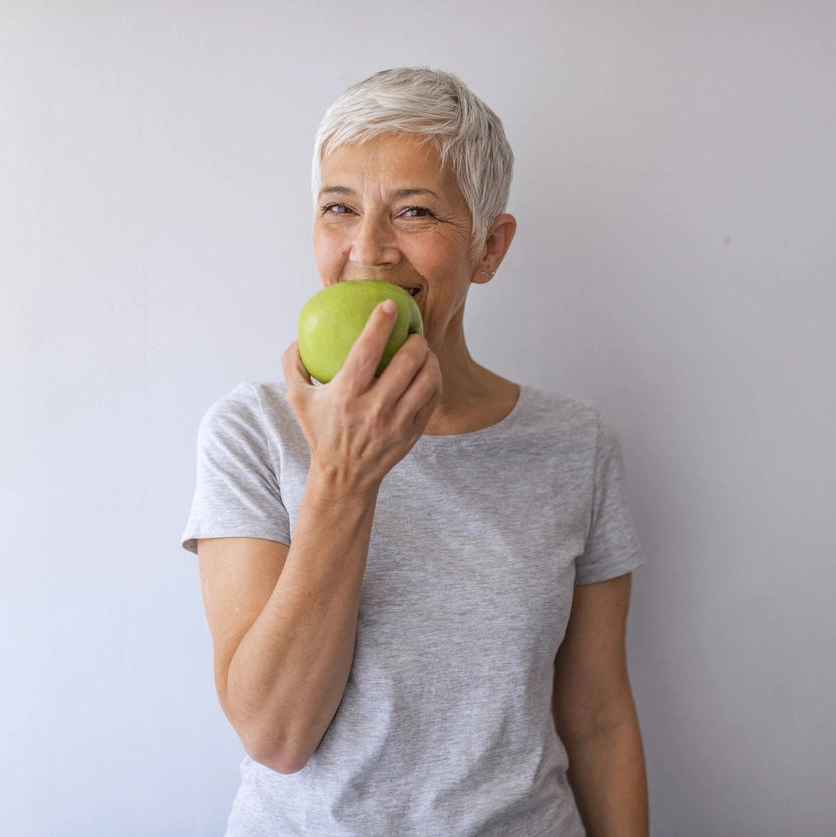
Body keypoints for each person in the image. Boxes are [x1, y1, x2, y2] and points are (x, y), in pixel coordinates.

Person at [182, 67, 648, 837]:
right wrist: (342, 476)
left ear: (489, 247)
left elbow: (598, 718)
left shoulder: (578, 444)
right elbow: (276, 734)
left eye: (415, 211)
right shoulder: (250, 431)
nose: (368, 249)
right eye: (339, 207)